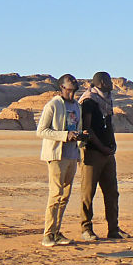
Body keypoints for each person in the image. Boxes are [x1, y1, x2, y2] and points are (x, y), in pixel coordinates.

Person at [79, 71, 127, 241]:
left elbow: (108, 124)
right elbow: (87, 128)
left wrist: (112, 145)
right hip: (92, 153)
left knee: (112, 193)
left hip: (107, 153)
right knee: (88, 193)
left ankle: (113, 229)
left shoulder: (107, 100)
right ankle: (86, 229)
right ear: (100, 82)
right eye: (107, 81)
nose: (110, 84)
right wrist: (101, 147)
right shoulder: (89, 101)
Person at [36, 74, 83, 247]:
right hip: (57, 155)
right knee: (55, 195)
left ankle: (56, 232)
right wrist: (64, 136)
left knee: (65, 197)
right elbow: (41, 131)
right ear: (62, 87)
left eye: (75, 85)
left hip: (72, 155)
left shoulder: (77, 106)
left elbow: (78, 127)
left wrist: (80, 138)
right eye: (70, 84)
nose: (73, 86)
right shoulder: (53, 105)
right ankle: (47, 234)